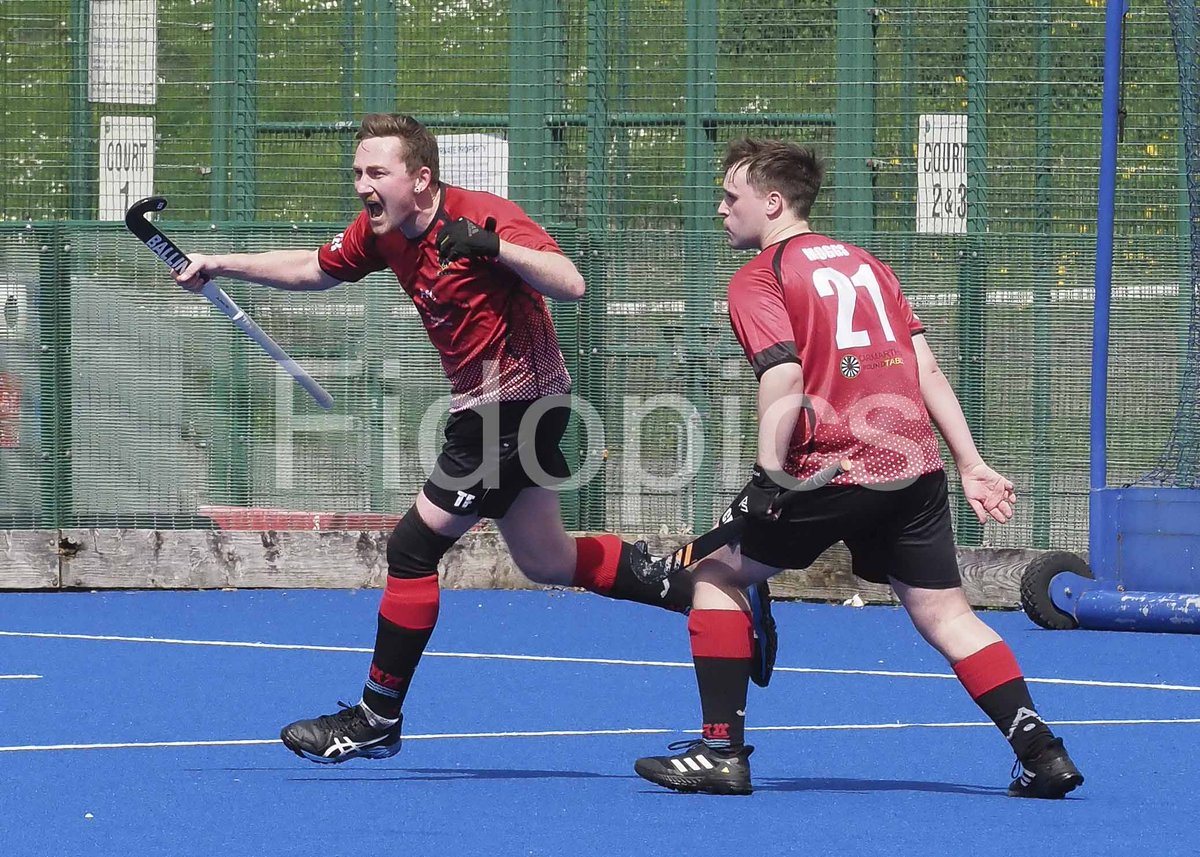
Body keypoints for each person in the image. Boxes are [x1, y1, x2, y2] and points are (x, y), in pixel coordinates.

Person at [174, 113, 777, 764]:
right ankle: (712, 589)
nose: (361, 186)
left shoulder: (479, 214)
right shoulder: (384, 232)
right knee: (546, 559)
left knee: (411, 547)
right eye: (357, 172)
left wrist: (492, 249)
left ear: (421, 178)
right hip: (492, 410)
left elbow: (570, 282)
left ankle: (377, 716)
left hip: (514, 409)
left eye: (376, 172)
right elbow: (317, 268)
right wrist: (220, 264)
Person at [633, 138, 1084, 799]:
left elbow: (784, 377)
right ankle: (1043, 752)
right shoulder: (870, 265)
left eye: (732, 197)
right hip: (914, 468)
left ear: (774, 201)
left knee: (712, 573)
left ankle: (720, 752)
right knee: (949, 617)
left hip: (833, 470)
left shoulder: (760, 277)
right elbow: (924, 368)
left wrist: (768, 476)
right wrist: (971, 461)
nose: (721, 208)